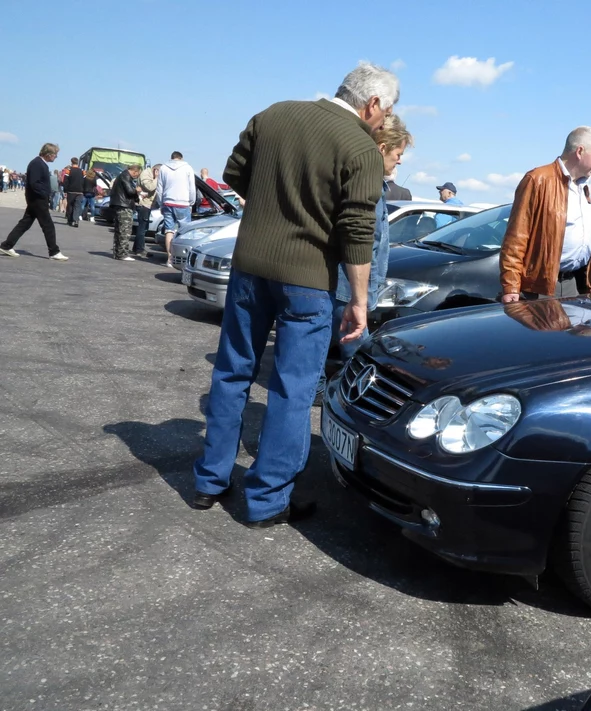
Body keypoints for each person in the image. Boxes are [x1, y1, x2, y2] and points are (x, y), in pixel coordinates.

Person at [191, 62, 399, 528]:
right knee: (292, 388)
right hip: (307, 280)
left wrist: (274, 207)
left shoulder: (274, 114)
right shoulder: (360, 147)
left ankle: (209, 481)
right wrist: (360, 301)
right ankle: (266, 500)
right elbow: (356, 231)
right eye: (387, 112)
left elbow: (235, 174)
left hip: (249, 266)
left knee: (232, 371)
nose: (385, 122)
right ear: (373, 104)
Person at [315, 114, 413, 405]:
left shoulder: (378, 189)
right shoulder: (366, 188)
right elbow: (360, 243)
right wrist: (359, 296)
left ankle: (327, 391)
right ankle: (343, 399)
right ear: (381, 148)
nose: (400, 162)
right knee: (358, 353)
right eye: (398, 154)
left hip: (351, 290)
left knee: (332, 345)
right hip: (348, 290)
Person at [499, 126, 591, 303]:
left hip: (573, 284)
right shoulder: (538, 180)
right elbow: (516, 238)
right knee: (544, 331)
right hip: (540, 288)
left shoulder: (582, 188)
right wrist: (511, 287)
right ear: (580, 151)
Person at [0, 143, 68, 260]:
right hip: (37, 199)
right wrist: (44, 194)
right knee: (48, 225)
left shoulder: (39, 163)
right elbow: (34, 183)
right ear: (48, 154)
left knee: (25, 223)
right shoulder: (37, 164)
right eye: (55, 154)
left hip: (36, 199)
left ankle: (7, 245)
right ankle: (54, 251)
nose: (56, 157)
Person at [155, 151, 195, 267]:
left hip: (168, 202)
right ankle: (183, 260)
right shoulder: (188, 168)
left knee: (169, 230)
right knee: (185, 231)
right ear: (181, 158)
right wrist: (191, 202)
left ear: (171, 158)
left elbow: (159, 188)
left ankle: (169, 259)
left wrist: (161, 203)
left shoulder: (163, 168)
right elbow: (192, 188)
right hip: (183, 203)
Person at [108, 164, 141, 261]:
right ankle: (122, 253)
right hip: (124, 206)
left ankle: (118, 253)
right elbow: (130, 191)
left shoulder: (122, 176)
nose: (136, 176)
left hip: (120, 204)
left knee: (119, 230)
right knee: (124, 231)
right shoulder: (126, 176)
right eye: (137, 174)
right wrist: (136, 190)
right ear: (135, 171)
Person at [134, 164, 161, 257]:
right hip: (143, 204)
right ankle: (139, 249)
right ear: (156, 170)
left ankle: (136, 248)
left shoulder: (151, 175)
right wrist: (157, 178)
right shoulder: (146, 174)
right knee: (142, 228)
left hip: (148, 204)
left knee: (143, 227)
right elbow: (150, 187)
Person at [63, 157, 86, 227]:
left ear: (71, 162)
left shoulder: (68, 171)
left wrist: (65, 191)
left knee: (70, 205)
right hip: (80, 191)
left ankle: (70, 220)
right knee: (77, 206)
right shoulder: (82, 171)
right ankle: (76, 220)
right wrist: (83, 190)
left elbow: (65, 181)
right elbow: (85, 181)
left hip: (71, 191)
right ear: (77, 162)